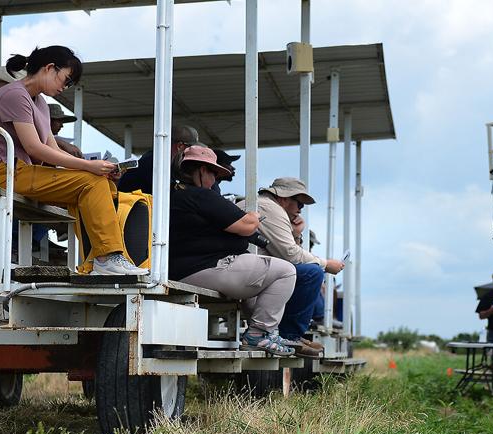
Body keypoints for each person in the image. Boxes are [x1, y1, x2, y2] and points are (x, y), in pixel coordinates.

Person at [0, 46, 145, 276]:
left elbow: (52, 149)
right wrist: (89, 166)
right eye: (66, 80)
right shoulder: (14, 94)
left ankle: (102, 258)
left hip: (19, 171)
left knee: (99, 182)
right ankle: (106, 257)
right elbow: (35, 148)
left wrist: (98, 169)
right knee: (91, 182)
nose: (65, 87)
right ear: (49, 68)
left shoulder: (40, 103)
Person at [166, 146, 315, 358]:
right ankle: (258, 334)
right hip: (205, 269)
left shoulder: (176, 195)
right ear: (202, 170)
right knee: (286, 271)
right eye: (214, 173)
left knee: (260, 280)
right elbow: (247, 225)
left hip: (185, 270)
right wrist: (255, 216)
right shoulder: (200, 195)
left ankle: (269, 333)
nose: (215, 180)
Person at [253, 177, 342, 348]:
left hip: (246, 268)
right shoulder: (271, 208)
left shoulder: (268, 206)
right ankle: (290, 335)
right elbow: (291, 255)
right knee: (312, 273)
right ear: (284, 198)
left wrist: (296, 234)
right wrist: (326, 264)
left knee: (307, 271)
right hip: (241, 270)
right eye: (299, 203)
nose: (300, 209)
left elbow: (287, 254)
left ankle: (288, 333)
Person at [117, 124, 198, 194]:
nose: (194, 153)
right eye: (191, 148)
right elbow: (169, 193)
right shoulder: (155, 162)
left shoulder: (162, 160)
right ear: (180, 146)